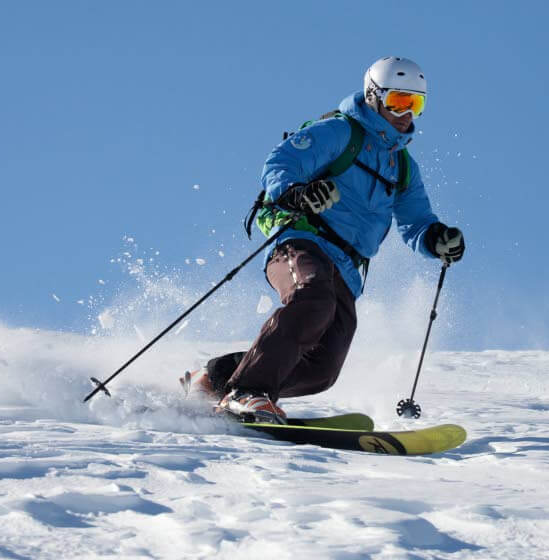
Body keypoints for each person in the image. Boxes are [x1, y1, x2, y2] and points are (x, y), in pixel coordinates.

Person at [181, 56, 465, 424]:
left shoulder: (403, 166)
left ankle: (216, 378)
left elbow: (417, 222)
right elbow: (279, 163)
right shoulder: (341, 132)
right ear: (375, 96)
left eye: (416, 104)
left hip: (347, 268)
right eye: (398, 101)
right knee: (313, 297)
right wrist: (299, 193)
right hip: (302, 240)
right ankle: (248, 390)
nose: (406, 113)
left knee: (322, 368)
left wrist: (437, 238)